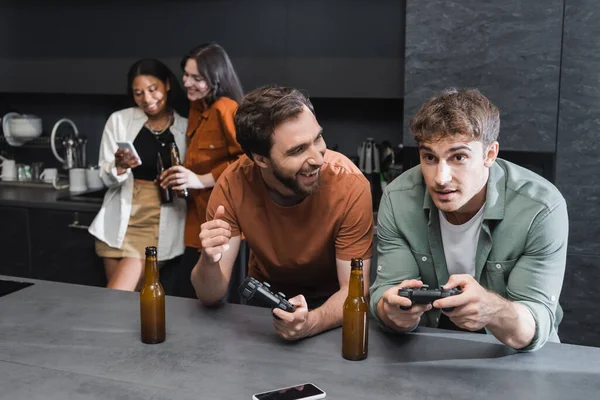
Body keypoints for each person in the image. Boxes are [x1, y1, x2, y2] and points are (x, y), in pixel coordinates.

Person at [370, 88, 568, 351]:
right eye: (429, 157)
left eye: (459, 157)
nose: (440, 178)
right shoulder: (398, 198)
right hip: (425, 349)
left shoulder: (541, 208)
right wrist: (392, 312)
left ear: (490, 154)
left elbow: (535, 321)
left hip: (512, 355)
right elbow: (385, 295)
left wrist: (493, 311)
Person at [190, 85, 374, 341]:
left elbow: (355, 292)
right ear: (261, 159)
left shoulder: (350, 185)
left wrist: (311, 323)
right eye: (298, 150)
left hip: (331, 306)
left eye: (318, 139)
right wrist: (208, 262)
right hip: (264, 298)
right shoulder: (233, 184)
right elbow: (210, 295)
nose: (318, 159)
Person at [89, 59, 188, 291]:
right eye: (138, 93)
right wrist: (120, 166)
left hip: (156, 220)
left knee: (116, 297)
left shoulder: (186, 127)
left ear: (167, 85)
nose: (147, 99)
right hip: (117, 221)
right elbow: (104, 177)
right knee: (123, 306)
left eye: (153, 89)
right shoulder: (119, 121)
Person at [160, 43, 244, 298]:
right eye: (186, 74)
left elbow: (246, 160)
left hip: (222, 220)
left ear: (215, 78)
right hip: (195, 219)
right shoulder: (197, 107)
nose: (186, 82)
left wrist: (200, 179)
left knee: (212, 300)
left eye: (197, 78)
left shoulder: (226, 108)